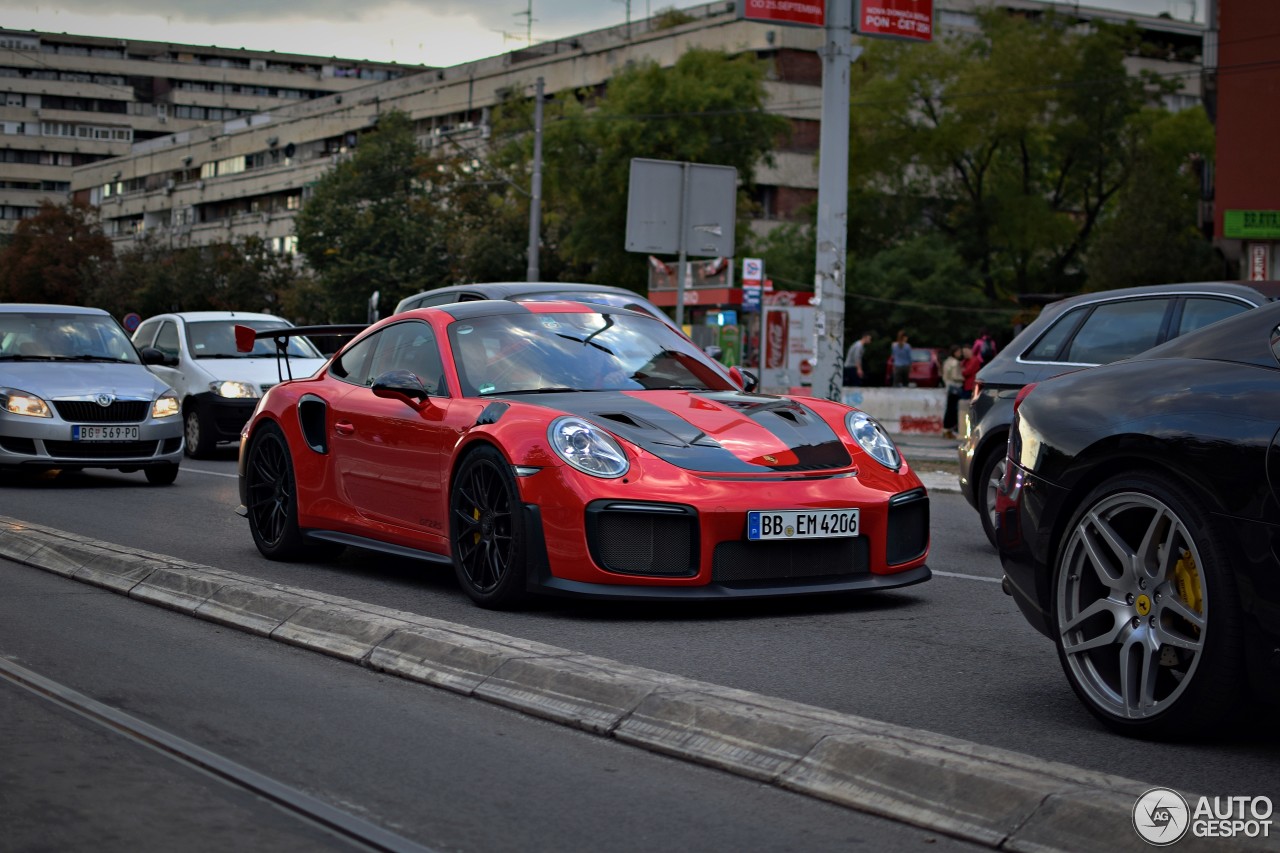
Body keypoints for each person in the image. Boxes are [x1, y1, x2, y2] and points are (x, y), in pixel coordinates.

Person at [941, 344, 965, 439]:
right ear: (955, 352)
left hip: (949, 386)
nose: (960, 354)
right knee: (953, 409)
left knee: (949, 408)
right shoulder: (955, 363)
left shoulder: (947, 361)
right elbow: (955, 376)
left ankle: (946, 429)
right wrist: (963, 378)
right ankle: (950, 430)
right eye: (959, 352)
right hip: (955, 386)